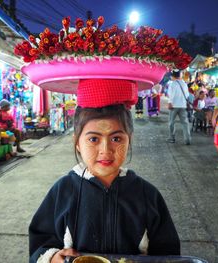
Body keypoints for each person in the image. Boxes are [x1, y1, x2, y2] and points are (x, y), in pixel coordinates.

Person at [29, 80, 180, 263]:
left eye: (116, 138)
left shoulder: (148, 195)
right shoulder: (63, 191)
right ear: (77, 143)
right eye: (93, 139)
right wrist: (52, 257)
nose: (105, 150)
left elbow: (170, 254)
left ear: (129, 140)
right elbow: (40, 244)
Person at [167, 69, 191, 145]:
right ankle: (187, 139)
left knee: (171, 122)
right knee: (185, 123)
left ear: (173, 76)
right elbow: (187, 95)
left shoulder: (172, 84)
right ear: (179, 75)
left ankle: (172, 138)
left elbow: (170, 94)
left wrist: (170, 102)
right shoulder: (184, 84)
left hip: (174, 106)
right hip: (183, 105)